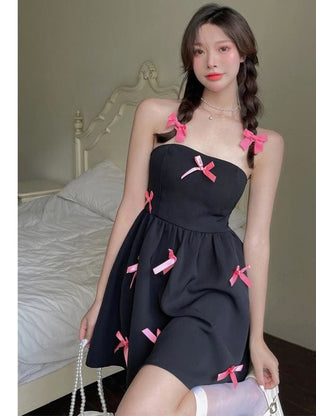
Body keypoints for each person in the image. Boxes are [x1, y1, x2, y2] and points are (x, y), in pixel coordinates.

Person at [79, 3, 284, 415]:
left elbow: (258, 242)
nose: (211, 62)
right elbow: (130, 207)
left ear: (243, 53)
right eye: (199, 51)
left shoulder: (264, 144)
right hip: (151, 282)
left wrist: (257, 337)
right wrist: (101, 299)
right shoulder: (156, 115)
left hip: (215, 290)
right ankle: (230, 405)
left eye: (223, 48)